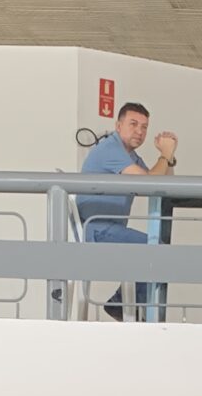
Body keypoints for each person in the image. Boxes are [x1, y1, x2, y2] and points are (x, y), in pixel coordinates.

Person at [75, 100, 180, 322]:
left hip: (108, 228)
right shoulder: (110, 149)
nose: (139, 131)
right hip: (96, 229)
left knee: (158, 250)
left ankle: (127, 308)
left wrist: (169, 157)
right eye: (133, 124)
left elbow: (160, 184)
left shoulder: (129, 155)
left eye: (144, 127)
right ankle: (124, 307)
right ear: (118, 125)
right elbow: (148, 183)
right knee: (158, 251)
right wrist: (165, 154)